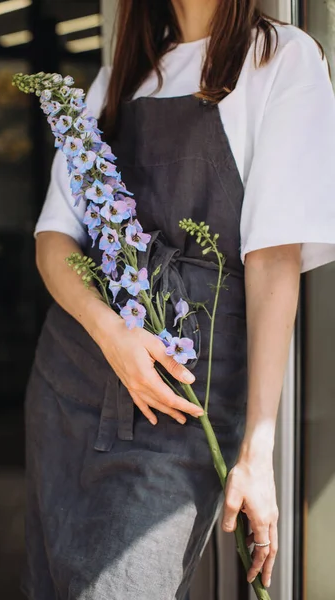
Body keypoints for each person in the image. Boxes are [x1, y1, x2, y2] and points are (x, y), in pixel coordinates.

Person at [23, 1, 335, 599]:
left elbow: (273, 263)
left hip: (183, 405)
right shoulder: (121, 76)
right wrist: (112, 332)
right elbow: (53, 241)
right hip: (72, 382)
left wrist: (257, 452)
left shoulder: (281, 58)